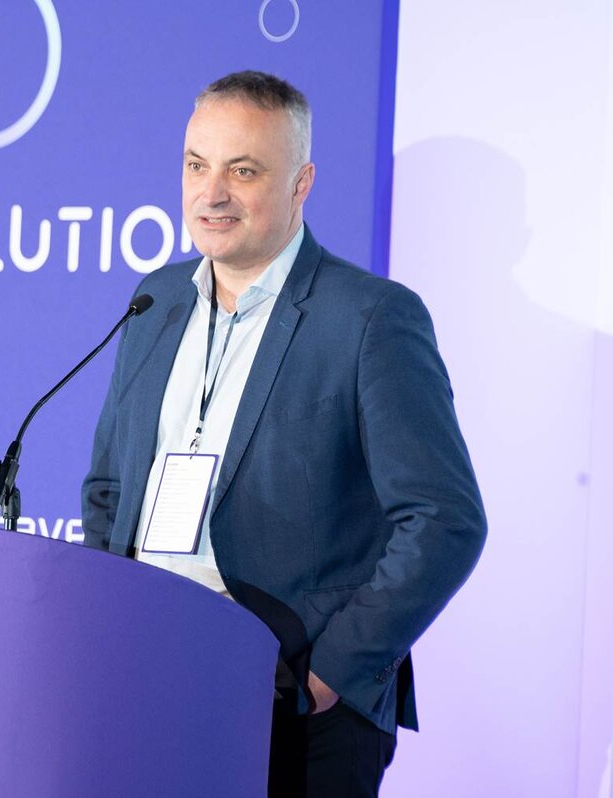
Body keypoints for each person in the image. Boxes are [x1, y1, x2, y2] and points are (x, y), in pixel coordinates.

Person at [81, 70, 486, 796]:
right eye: (196, 165)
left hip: (295, 703)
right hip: (152, 679)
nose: (211, 194)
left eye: (243, 171)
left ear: (301, 184)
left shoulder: (370, 318)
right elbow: (109, 488)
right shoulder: (155, 299)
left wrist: (330, 672)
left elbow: (444, 520)